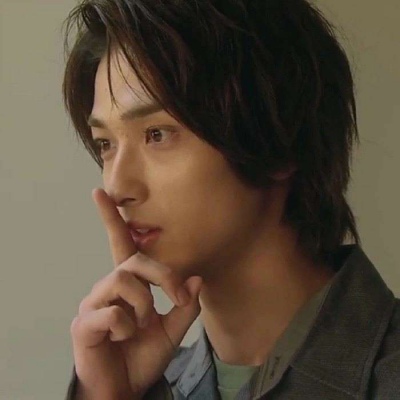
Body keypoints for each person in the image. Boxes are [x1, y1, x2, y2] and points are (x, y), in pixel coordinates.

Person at [61, 0, 400, 399]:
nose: (117, 187)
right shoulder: (135, 384)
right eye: (105, 143)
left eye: (157, 134)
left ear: (276, 138)